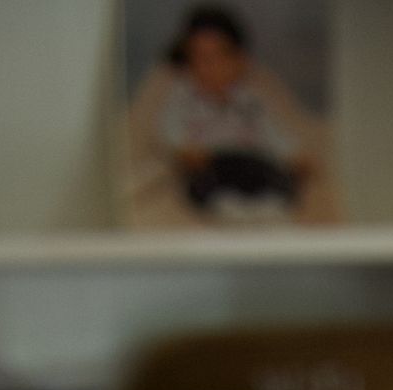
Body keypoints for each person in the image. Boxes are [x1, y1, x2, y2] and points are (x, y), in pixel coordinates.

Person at [122, 7, 339, 228]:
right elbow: (168, 127)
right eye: (200, 59)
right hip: (212, 161)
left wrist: (293, 155)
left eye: (218, 57)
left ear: (239, 60)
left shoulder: (249, 101)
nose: (209, 68)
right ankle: (227, 209)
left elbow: (272, 133)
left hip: (252, 160)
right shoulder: (183, 99)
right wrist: (183, 149)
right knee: (204, 181)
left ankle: (271, 207)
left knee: (275, 177)